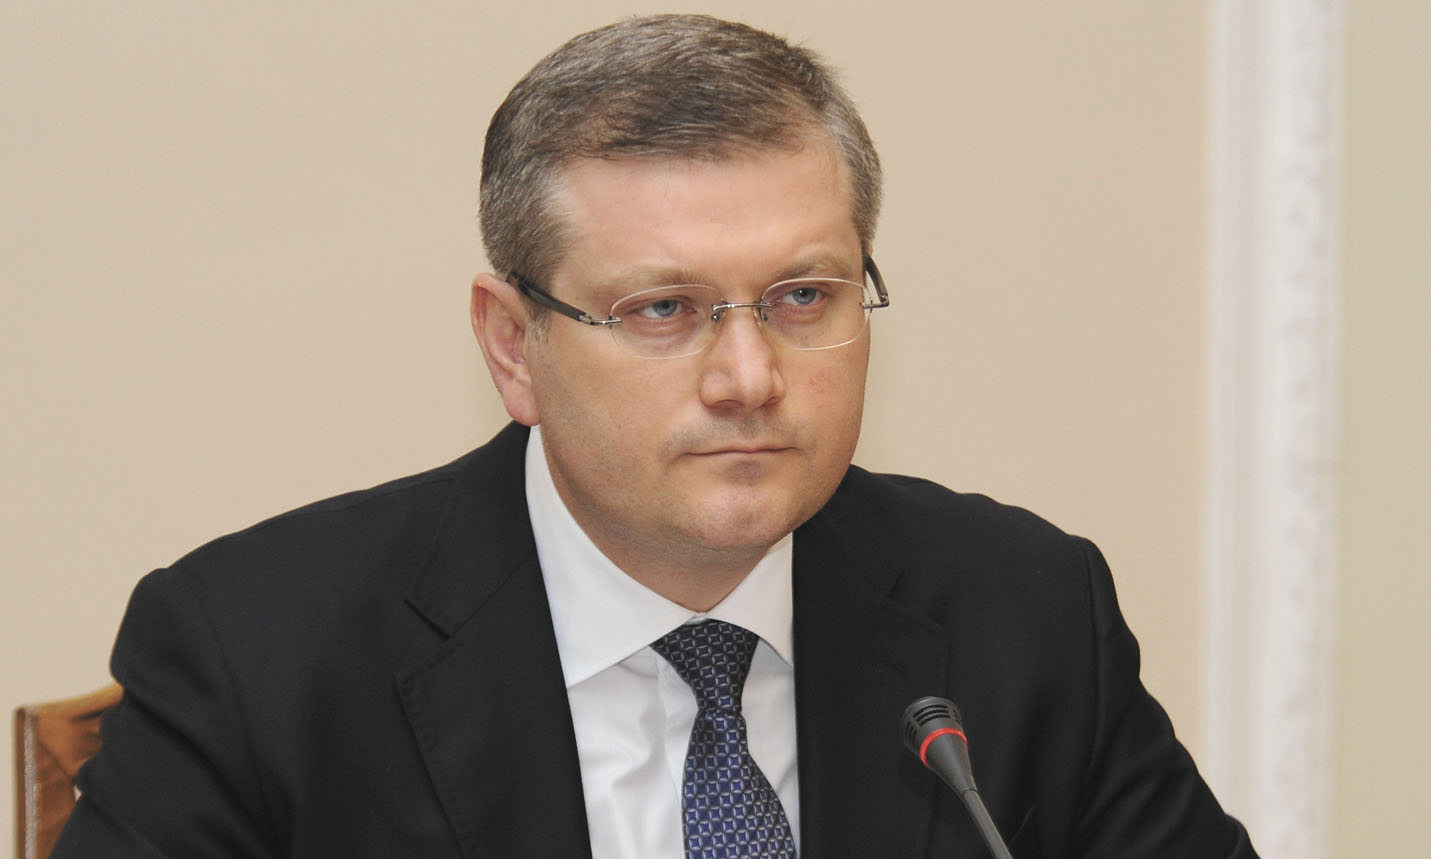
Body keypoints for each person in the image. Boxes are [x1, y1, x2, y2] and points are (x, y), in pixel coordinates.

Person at [55, 14, 1257, 858]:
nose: (749, 378)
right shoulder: (257, 659)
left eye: (804, 296)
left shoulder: (1025, 615)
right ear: (513, 345)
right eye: (664, 311)